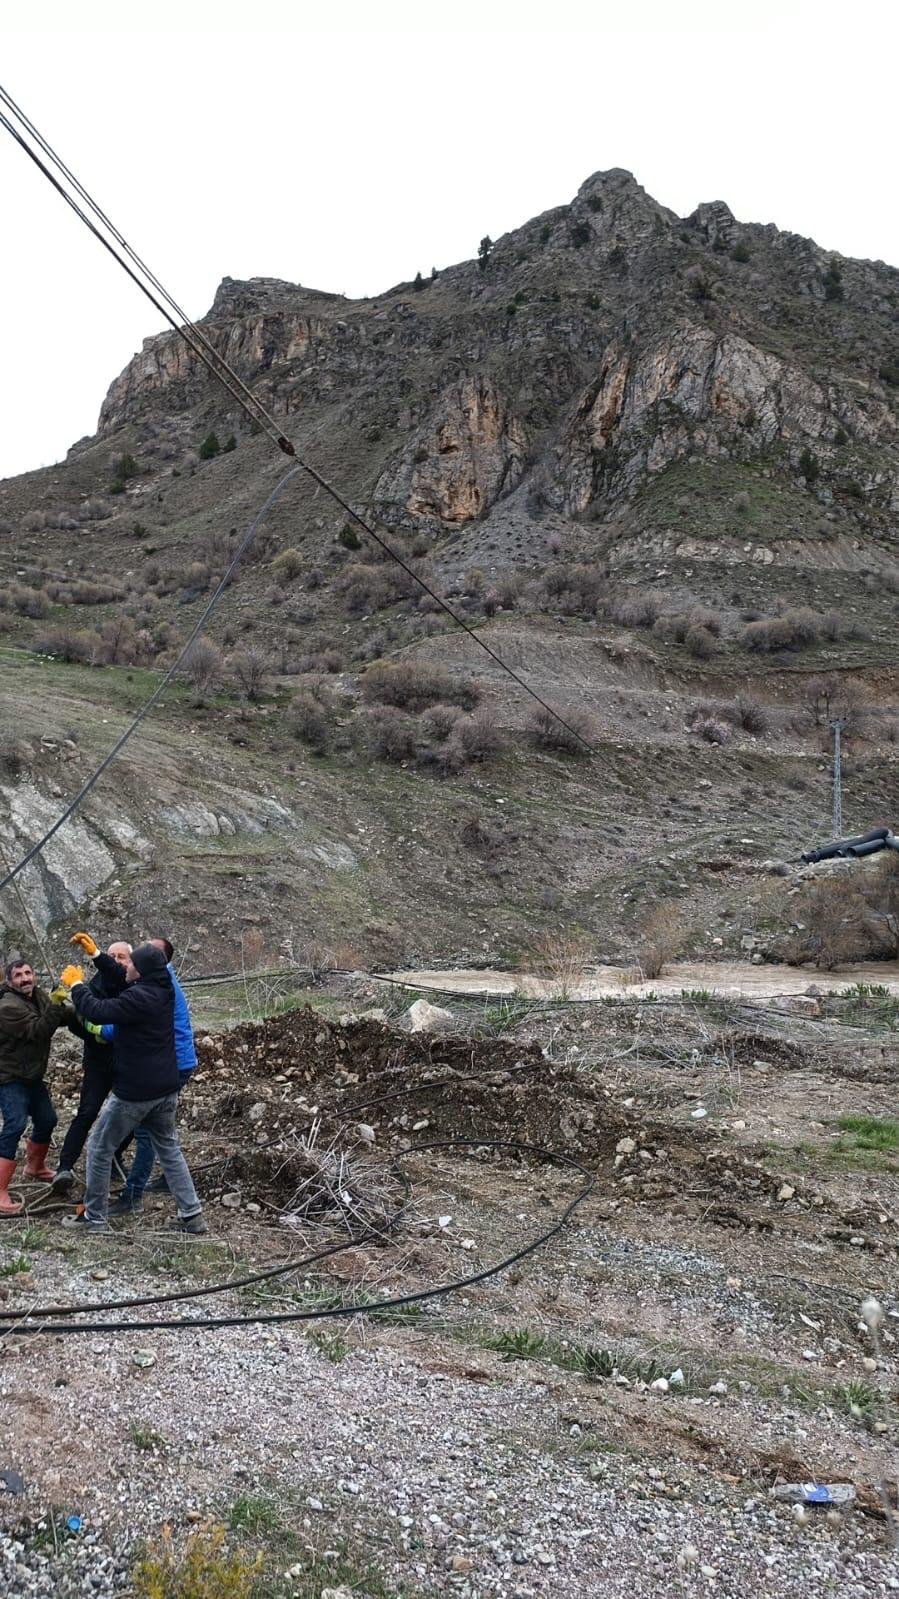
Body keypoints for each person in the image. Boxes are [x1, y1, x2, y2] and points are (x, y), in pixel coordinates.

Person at [64, 944, 207, 1235]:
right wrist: (96, 956)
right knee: (169, 1149)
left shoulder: (139, 997)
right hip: (165, 1088)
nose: (125, 967)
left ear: (140, 971)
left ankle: (95, 1218)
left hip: (136, 1092)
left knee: (100, 1147)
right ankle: (192, 1215)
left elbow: (98, 1010)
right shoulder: (164, 986)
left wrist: (76, 985)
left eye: (130, 963)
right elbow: (121, 973)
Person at [112, 936, 197, 1214]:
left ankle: (132, 1195)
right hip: (177, 1061)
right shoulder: (160, 980)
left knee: (147, 1134)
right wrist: (98, 956)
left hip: (172, 1063)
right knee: (163, 1136)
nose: (138, 953)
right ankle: (181, 1198)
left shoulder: (158, 988)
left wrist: (98, 1028)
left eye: (144, 949)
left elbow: (126, 1021)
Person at [51, 938, 132, 1192]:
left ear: (130, 962)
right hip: (98, 1061)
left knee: (131, 1115)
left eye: (122, 957)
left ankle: (114, 1156)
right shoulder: (93, 986)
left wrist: (100, 1029)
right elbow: (79, 1021)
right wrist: (74, 1017)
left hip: (127, 1060)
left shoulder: (133, 987)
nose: (116, 961)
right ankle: (65, 1167)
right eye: (113, 956)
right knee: (87, 1112)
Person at [0, 955, 72, 1216]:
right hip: (9, 1077)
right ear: (9, 981)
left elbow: (61, 1015)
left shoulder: (38, 996)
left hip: (30, 1075)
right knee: (15, 1124)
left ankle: (35, 1167)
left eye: (28, 973)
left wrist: (84, 1004)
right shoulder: (7, 1006)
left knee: (47, 1120)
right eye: (18, 975)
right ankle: (0, 1190)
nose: (25, 979)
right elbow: (38, 1031)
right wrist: (55, 1004)